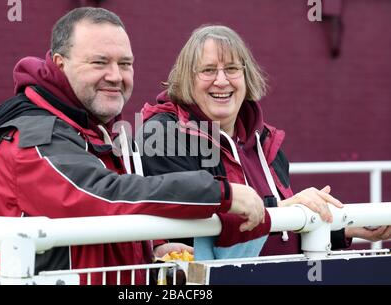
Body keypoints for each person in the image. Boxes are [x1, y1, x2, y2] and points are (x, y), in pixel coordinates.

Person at [0, 8, 269, 285]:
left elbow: (105, 221)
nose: (115, 76)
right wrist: (220, 193)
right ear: (60, 64)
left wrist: (149, 246)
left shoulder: (90, 129)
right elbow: (102, 194)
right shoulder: (33, 139)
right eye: (99, 62)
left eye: (125, 64)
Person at [138, 24, 391, 260]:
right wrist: (280, 209)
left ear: (246, 77)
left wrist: (344, 227)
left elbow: (280, 236)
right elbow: (190, 214)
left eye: (232, 69)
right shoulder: (163, 134)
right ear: (187, 78)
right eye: (208, 70)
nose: (222, 80)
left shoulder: (266, 144)